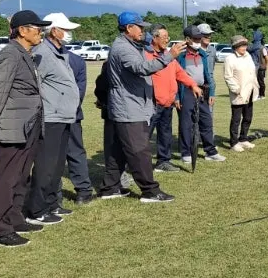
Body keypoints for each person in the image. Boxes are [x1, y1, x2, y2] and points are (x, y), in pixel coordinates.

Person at [100, 12, 185, 203]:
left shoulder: (131, 44)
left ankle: (110, 187)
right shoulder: (123, 48)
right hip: (129, 107)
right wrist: (169, 56)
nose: (143, 31)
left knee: (118, 150)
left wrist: (160, 42)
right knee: (139, 150)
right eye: (140, 27)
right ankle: (149, 191)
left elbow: (148, 43)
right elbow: (141, 68)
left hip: (130, 105)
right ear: (129, 28)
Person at [0, 10, 50, 247]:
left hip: (29, 125)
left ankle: (14, 218)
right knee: (6, 178)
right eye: (37, 28)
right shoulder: (10, 54)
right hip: (13, 127)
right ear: (22, 31)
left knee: (21, 176)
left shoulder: (25, 54)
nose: (41, 33)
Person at [23, 12, 82, 225]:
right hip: (50, 117)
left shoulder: (59, 52)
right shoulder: (43, 53)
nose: (68, 34)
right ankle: (36, 209)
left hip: (64, 116)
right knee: (46, 165)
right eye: (65, 29)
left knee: (57, 165)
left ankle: (51, 203)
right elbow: (34, 82)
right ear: (54, 31)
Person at [145, 24, 200, 171]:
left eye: (167, 37)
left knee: (166, 134)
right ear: (154, 38)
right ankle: (134, 165)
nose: (167, 40)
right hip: (152, 104)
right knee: (143, 137)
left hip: (167, 103)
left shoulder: (169, 56)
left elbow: (180, 73)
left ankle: (163, 161)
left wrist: (193, 85)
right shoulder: (147, 56)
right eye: (164, 37)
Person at [173, 26, 221, 164]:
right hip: (186, 91)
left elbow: (208, 75)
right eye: (195, 39)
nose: (198, 41)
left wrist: (211, 92)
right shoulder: (180, 56)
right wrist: (176, 97)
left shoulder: (202, 54)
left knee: (206, 121)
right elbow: (174, 77)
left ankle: (210, 151)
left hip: (202, 90)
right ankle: (186, 153)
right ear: (187, 39)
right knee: (186, 123)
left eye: (200, 38)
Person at [62, 26, 93, 206]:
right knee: (75, 152)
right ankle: (83, 190)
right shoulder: (77, 60)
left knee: (54, 155)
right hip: (72, 112)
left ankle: (56, 192)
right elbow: (80, 91)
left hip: (56, 114)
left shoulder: (75, 60)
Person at [224, 35, 258, 152]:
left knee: (248, 117)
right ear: (235, 47)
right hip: (238, 93)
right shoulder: (230, 59)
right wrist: (236, 89)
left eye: (245, 45)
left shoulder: (248, 56)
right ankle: (234, 142)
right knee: (236, 119)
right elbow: (228, 76)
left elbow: (252, 72)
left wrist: (255, 87)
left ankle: (243, 138)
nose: (244, 48)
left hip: (250, 91)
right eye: (241, 46)